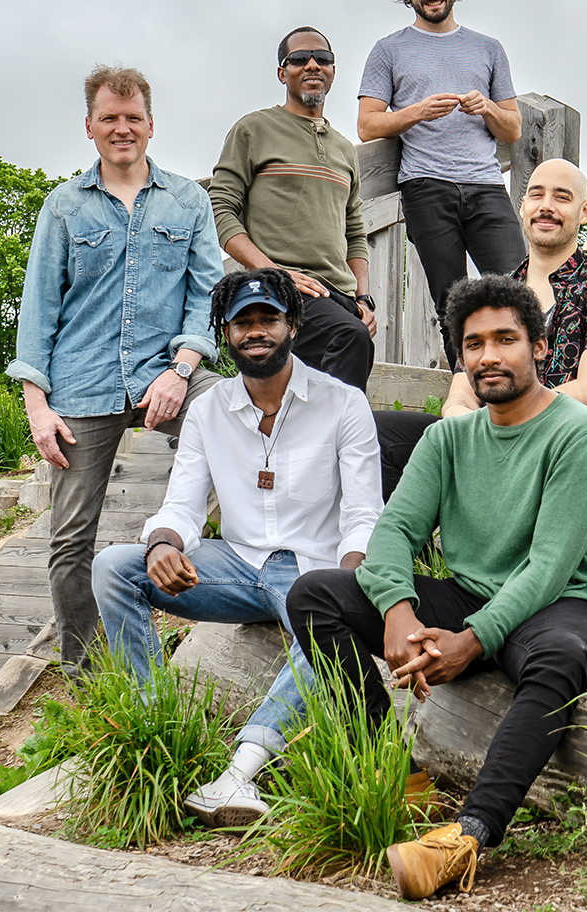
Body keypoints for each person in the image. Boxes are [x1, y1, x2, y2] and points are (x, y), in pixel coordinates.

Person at [287, 274, 587, 901]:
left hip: (567, 604)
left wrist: (471, 641)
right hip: (474, 595)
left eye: (505, 339)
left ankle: (469, 834)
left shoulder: (579, 432)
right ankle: (402, 777)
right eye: (474, 344)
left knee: (561, 654)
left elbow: (549, 567)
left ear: (540, 347)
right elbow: (394, 531)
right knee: (316, 595)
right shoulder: (448, 438)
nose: (489, 356)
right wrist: (397, 611)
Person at [91, 269, 383, 828]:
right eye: (241, 322)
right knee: (113, 567)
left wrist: (348, 581)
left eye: (268, 318)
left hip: (312, 571)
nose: (256, 331)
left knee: (329, 624)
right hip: (236, 565)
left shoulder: (342, 404)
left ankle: (240, 771)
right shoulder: (209, 410)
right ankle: (155, 734)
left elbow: (364, 513)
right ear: (224, 333)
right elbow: (182, 505)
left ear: (292, 325)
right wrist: (162, 543)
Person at [8, 66, 222, 673]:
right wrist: (37, 406)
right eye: (109, 118)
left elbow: (206, 294)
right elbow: (39, 306)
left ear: (151, 125)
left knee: (237, 414)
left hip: (166, 370)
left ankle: (249, 583)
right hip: (82, 383)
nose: (122, 128)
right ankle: (86, 672)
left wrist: (182, 369)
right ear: (90, 127)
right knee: (70, 537)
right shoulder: (63, 206)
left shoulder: (187, 200)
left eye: (133, 118)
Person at [374, 158, 587, 499]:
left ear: (584, 211)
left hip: (566, 439)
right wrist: (459, 417)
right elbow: (462, 388)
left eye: (561, 197)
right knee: (380, 433)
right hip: (489, 435)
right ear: (523, 206)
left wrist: (512, 420)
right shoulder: (494, 294)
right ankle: (412, 537)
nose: (546, 206)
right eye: (537, 195)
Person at [357, 0, 525, 370]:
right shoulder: (388, 50)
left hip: (486, 185)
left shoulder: (488, 48)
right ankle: (467, 393)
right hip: (426, 186)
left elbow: (512, 129)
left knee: (518, 291)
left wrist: (487, 107)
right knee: (452, 303)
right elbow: (367, 124)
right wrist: (416, 112)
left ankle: (525, 390)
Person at [209, 27, 378, 391]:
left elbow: (354, 229)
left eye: (323, 58)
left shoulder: (344, 149)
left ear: (333, 71)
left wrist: (363, 297)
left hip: (339, 295)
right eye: (300, 59)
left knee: (324, 373)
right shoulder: (253, 130)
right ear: (282, 73)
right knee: (349, 338)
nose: (312, 65)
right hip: (281, 290)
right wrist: (275, 272)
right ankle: (342, 429)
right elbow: (221, 209)